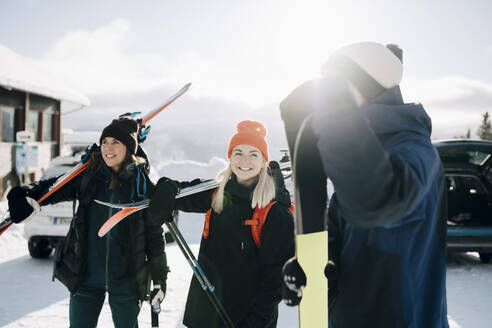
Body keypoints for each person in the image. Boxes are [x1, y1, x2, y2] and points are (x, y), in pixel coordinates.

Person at [279, 42, 448, 327]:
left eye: (337, 83)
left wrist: (335, 119)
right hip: (350, 314)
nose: (329, 92)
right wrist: (314, 262)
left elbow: (379, 202)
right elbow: (337, 225)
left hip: (404, 318)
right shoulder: (362, 149)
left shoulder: (416, 150)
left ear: (367, 85)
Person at [7, 116, 169, 328]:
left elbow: (154, 235)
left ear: (129, 148)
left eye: (116, 142)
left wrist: (159, 279)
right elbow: (54, 187)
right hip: (86, 276)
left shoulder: (140, 184)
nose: (108, 149)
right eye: (104, 142)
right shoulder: (89, 176)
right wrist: (25, 193)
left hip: (126, 279)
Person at [148, 120, 295, 327]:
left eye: (254, 154)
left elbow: (274, 281)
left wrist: (255, 323)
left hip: (245, 319)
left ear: (264, 161)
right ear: (230, 158)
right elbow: (181, 193)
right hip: (205, 314)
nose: (245, 160)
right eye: (238, 153)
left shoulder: (274, 212)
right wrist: (166, 188)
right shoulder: (217, 194)